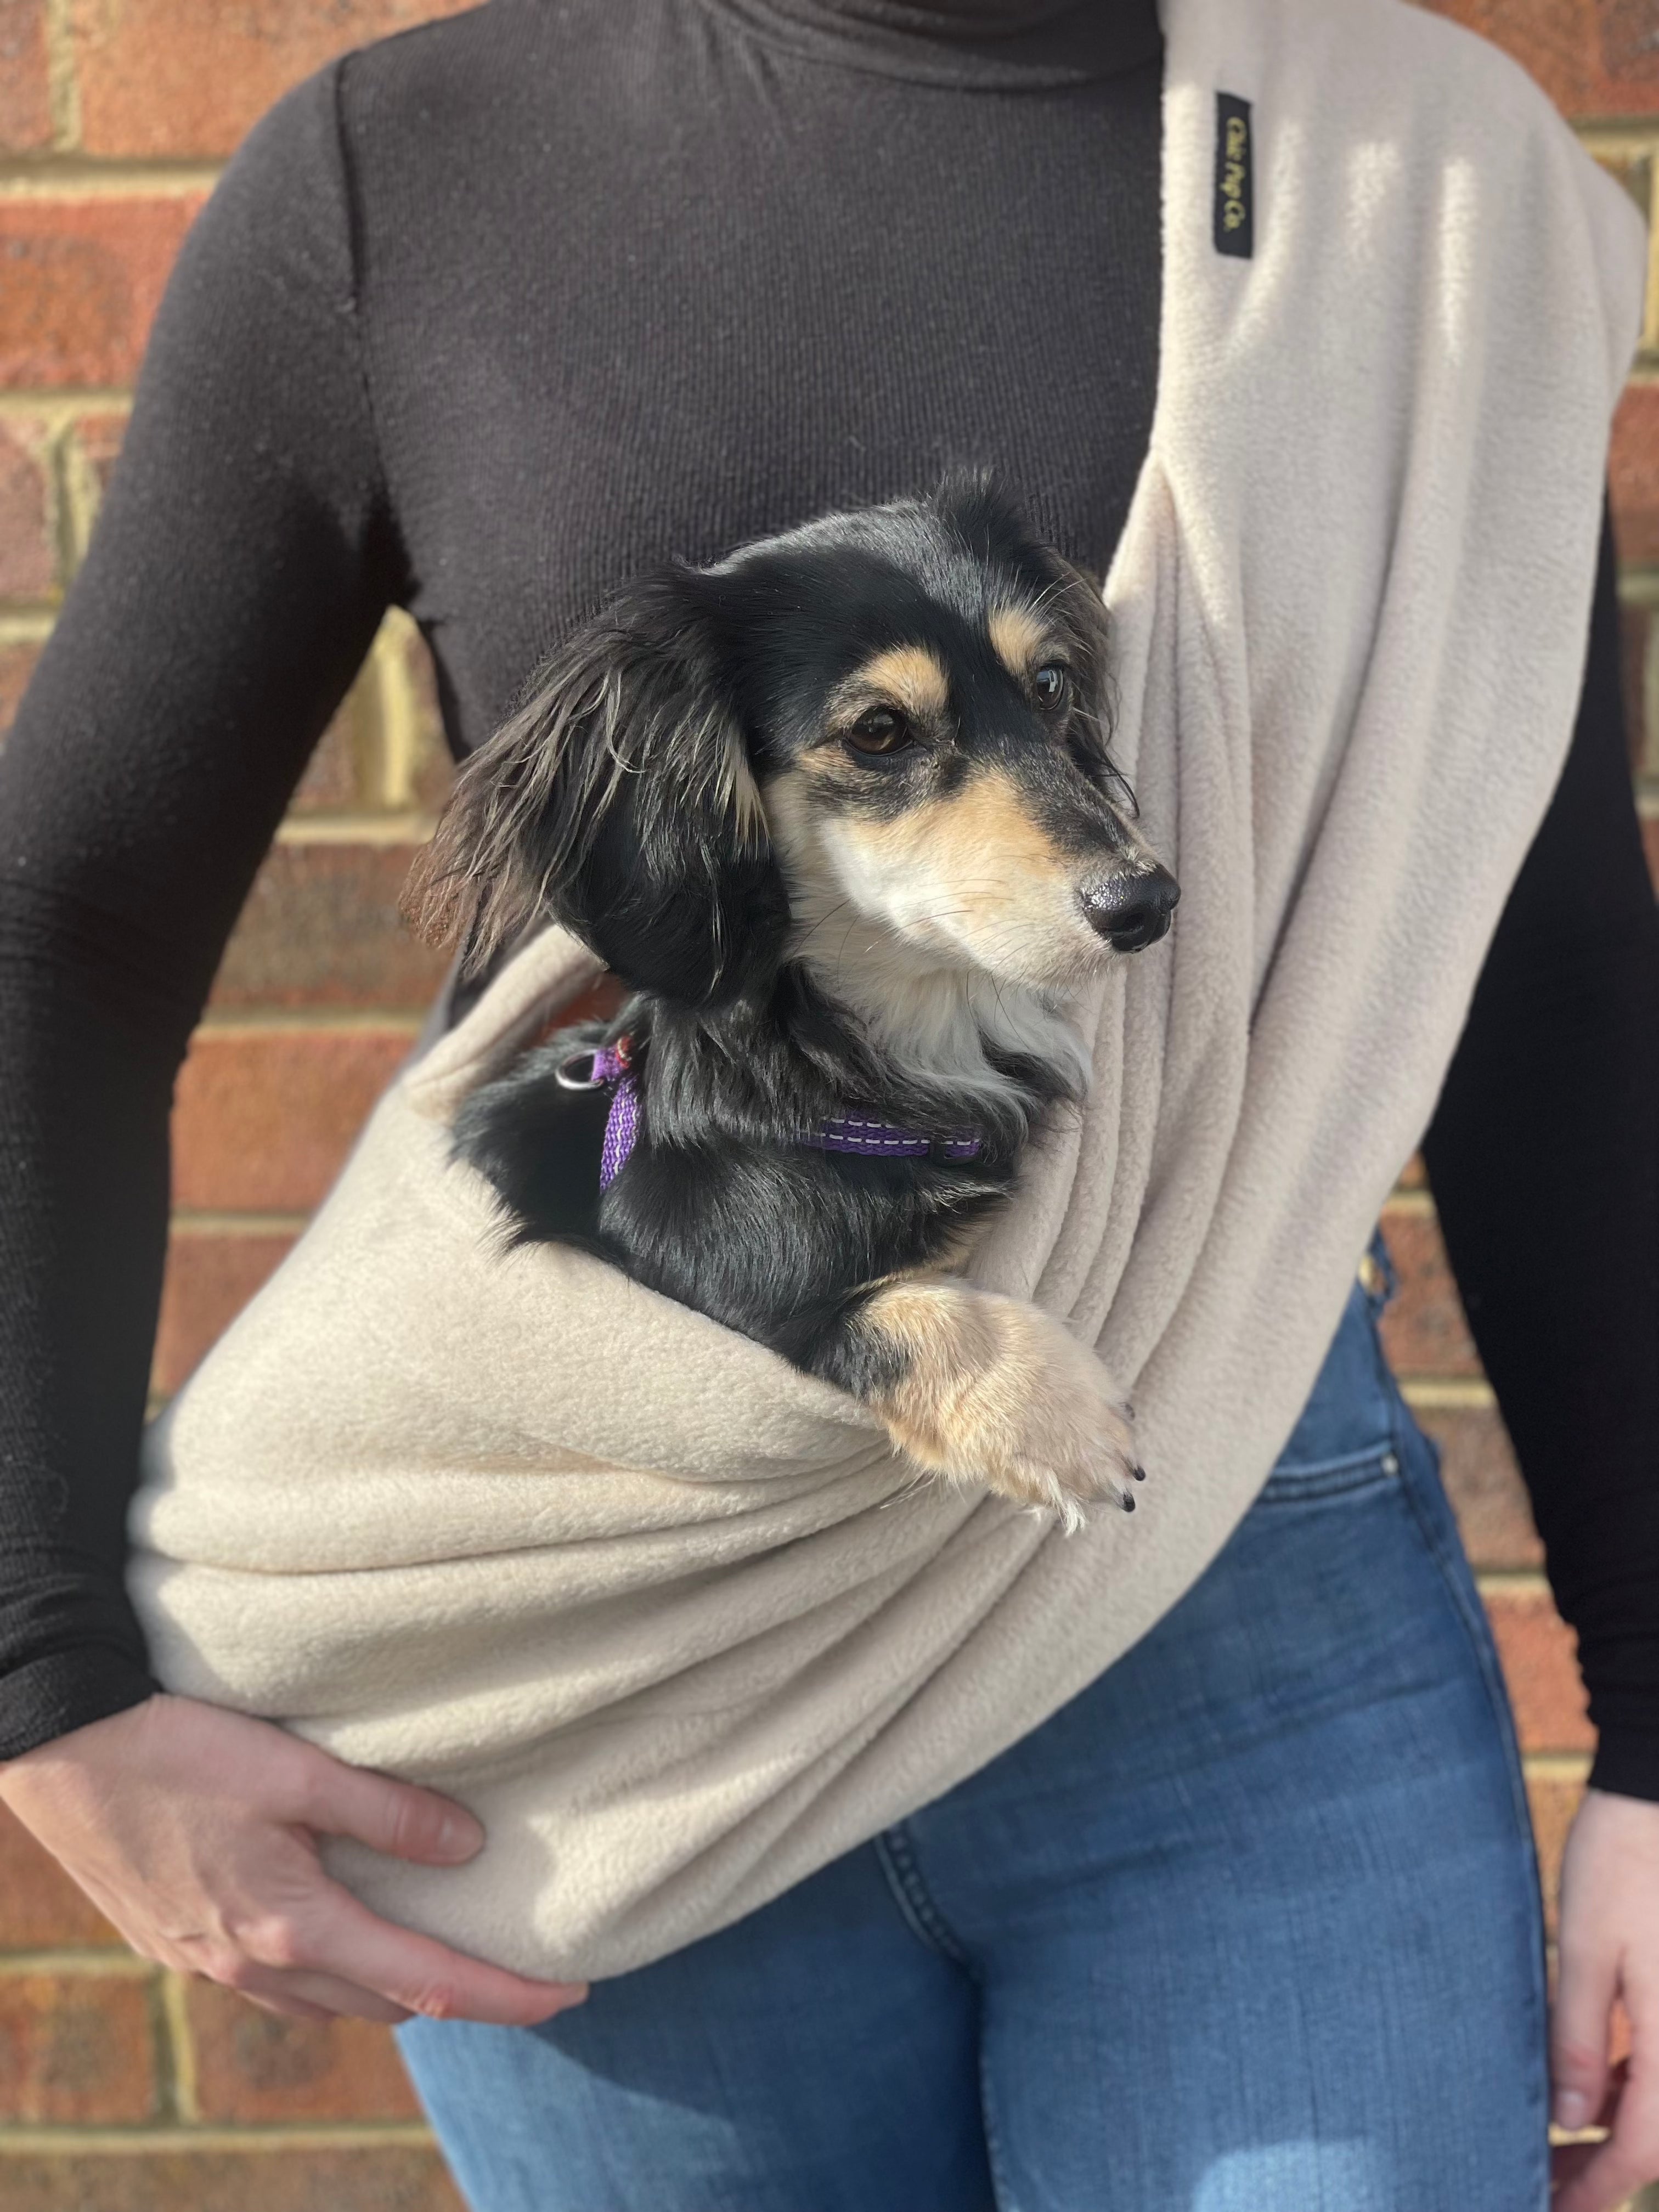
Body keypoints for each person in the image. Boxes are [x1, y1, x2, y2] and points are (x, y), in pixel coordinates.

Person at [0, 0, 1654, 2205]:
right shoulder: (406, 177)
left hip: (1217, 1568)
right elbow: (64, 924)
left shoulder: (1404, 184)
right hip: (587, 1651)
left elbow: (1546, 982)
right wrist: (42, 1681)